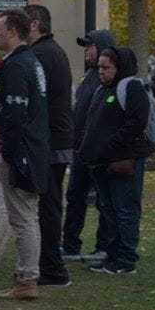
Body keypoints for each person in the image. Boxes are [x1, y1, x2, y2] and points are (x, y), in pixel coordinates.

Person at [0, 9, 49, 301]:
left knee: (22, 217)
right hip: (32, 147)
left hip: (22, 150)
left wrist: (11, 153)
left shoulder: (16, 66)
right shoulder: (31, 62)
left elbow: (15, 115)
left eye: (0, 28)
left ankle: (27, 278)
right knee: (28, 215)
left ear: (13, 31)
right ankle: (27, 276)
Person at [79, 47, 150, 274]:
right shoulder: (104, 88)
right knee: (108, 209)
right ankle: (112, 253)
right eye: (99, 67)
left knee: (125, 209)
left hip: (121, 162)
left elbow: (136, 122)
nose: (100, 71)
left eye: (106, 67)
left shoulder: (131, 87)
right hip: (102, 163)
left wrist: (111, 145)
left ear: (118, 68)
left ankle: (126, 258)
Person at [24, 5, 73, 288]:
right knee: (49, 203)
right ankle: (50, 264)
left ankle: (53, 267)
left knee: (49, 204)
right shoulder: (50, 51)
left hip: (51, 140)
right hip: (56, 137)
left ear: (34, 24)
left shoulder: (43, 54)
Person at [61, 29, 116, 262]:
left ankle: (104, 246)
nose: (86, 50)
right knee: (75, 196)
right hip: (80, 150)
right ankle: (71, 245)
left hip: (97, 151)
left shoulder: (108, 80)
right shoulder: (88, 77)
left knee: (104, 200)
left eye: (90, 46)